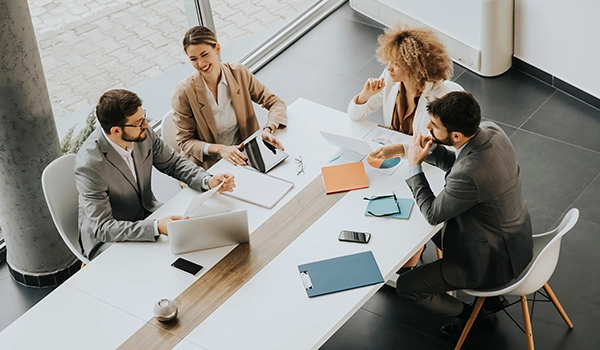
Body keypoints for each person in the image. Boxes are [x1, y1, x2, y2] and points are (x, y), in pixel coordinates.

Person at [396, 91, 533, 338]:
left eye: (434, 125)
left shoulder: (470, 175)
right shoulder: (492, 131)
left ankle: (473, 316)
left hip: (489, 263)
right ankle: (488, 302)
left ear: (456, 135)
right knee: (426, 232)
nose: (427, 126)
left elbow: (432, 213)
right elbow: (460, 162)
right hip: (516, 241)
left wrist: (414, 166)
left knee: (407, 287)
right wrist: (427, 151)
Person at [75, 89, 235, 260]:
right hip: (109, 239)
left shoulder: (142, 132)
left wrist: (207, 180)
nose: (146, 125)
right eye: (138, 122)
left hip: (147, 213)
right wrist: (155, 227)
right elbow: (103, 228)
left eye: (143, 116)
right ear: (116, 131)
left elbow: (173, 163)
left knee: (202, 240)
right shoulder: (90, 165)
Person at [171, 25, 287, 170]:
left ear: (217, 49)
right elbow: (185, 141)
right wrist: (220, 149)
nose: (200, 64)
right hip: (208, 165)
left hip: (245, 156)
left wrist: (268, 129)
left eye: (205, 55)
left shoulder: (238, 73)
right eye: (193, 59)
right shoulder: (184, 91)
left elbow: (275, 102)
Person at [348, 26, 462, 159]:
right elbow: (354, 115)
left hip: (420, 161)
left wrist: (402, 149)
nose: (389, 67)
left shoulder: (440, 97)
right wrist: (365, 95)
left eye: (396, 63)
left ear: (414, 66)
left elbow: (440, 148)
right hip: (392, 154)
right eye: (389, 60)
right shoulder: (389, 78)